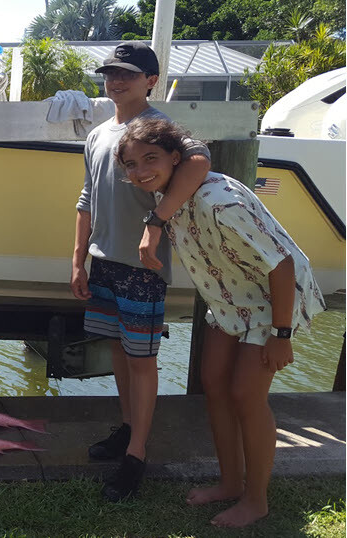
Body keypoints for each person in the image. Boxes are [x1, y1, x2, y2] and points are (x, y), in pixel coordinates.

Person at [116, 117, 325, 527]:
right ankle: (230, 482)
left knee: (247, 395)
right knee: (213, 384)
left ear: (176, 158)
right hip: (230, 302)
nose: (139, 171)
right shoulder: (168, 204)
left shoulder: (217, 200)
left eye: (150, 158)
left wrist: (281, 335)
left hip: (270, 303)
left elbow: (281, 266)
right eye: (130, 163)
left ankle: (256, 499)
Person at [71, 41, 212, 502]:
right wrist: (78, 258)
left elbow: (198, 161)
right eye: (110, 73)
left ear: (151, 79)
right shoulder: (97, 135)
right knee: (116, 351)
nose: (116, 80)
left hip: (143, 269)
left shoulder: (159, 127)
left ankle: (136, 455)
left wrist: (156, 222)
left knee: (141, 360)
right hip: (105, 262)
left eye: (127, 73)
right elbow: (87, 199)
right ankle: (128, 427)